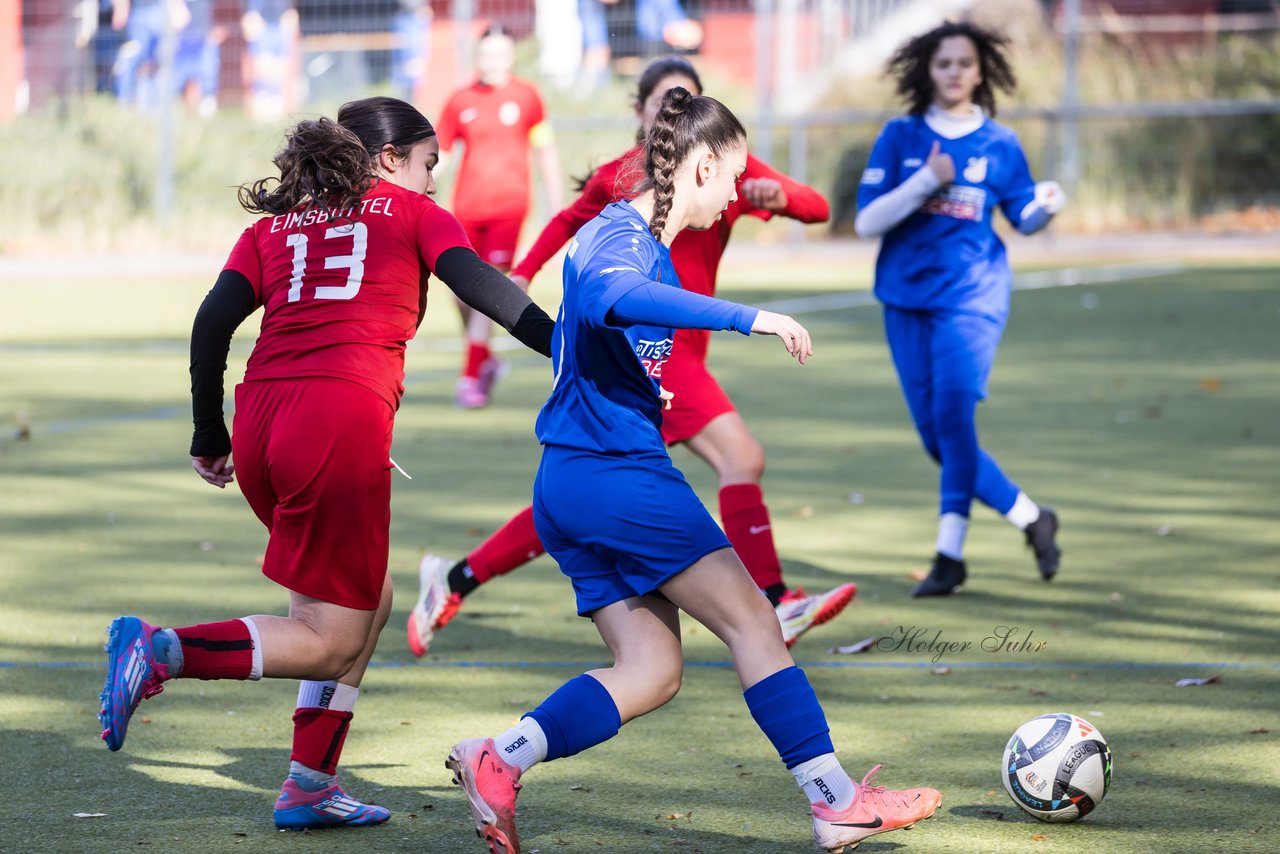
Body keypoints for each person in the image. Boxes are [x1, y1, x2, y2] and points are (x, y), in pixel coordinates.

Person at [445, 87, 941, 854]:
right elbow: (613, 293)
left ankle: (499, 757)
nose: (738, 193)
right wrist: (755, 317)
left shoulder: (633, 238)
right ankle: (835, 800)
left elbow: (601, 327)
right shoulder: (626, 240)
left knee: (651, 669)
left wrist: (645, 385)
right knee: (754, 622)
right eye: (734, 176)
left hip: (568, 484)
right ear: (703, 165)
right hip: (618, 479)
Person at [96, 96, 556, 830]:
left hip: (262, 424)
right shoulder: (410, 212)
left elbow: (213, 320)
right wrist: (567, 347)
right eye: (429, 163)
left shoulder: (272, 227)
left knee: (367, 599)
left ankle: (309, 784)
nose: (434, 181)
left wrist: (207, 429)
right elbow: (483, 288)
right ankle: (160, 652)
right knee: (327, 637)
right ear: (388, 160)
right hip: (334, 426)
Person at [408, 57, 854, 657]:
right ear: (644, 111)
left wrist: (780, 194)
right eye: (667, 101)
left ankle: (457, 576)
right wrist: (525, 273)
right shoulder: (624, 182)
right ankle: (772, 599)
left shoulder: (724, 165)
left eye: (691, 100)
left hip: (673, 357)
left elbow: (816, 208)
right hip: (649, 355)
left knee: (586, 493)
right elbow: (571, 224)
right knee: (738, 457)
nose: (679, 113)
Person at [854, 22, 1066, 597]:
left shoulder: (1000, 143)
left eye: (965, 63)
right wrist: (927, 180)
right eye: (944, 62)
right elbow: (867, 221)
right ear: (928, 68)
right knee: (939, 441)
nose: (954, 72)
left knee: (952, 419)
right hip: (904, 299)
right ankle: (1032, 518)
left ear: (981, 71)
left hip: (972, 299)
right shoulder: (899, 137)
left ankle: (949, 556)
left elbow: (1023, 217)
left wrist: (1047, 206)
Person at [435, 25, 563, 408]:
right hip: (466, 210)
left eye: (500, 54)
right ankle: (486, 358)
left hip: (509, 209)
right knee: (461, 294)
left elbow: (545, 151)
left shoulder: (527, 98)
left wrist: (557, 206)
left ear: (510, 56)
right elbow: (439, 156)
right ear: (478, 56)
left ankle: (471, 376)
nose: (493, 62)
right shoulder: (459, 101)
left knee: (487, 288)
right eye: (486, 54)